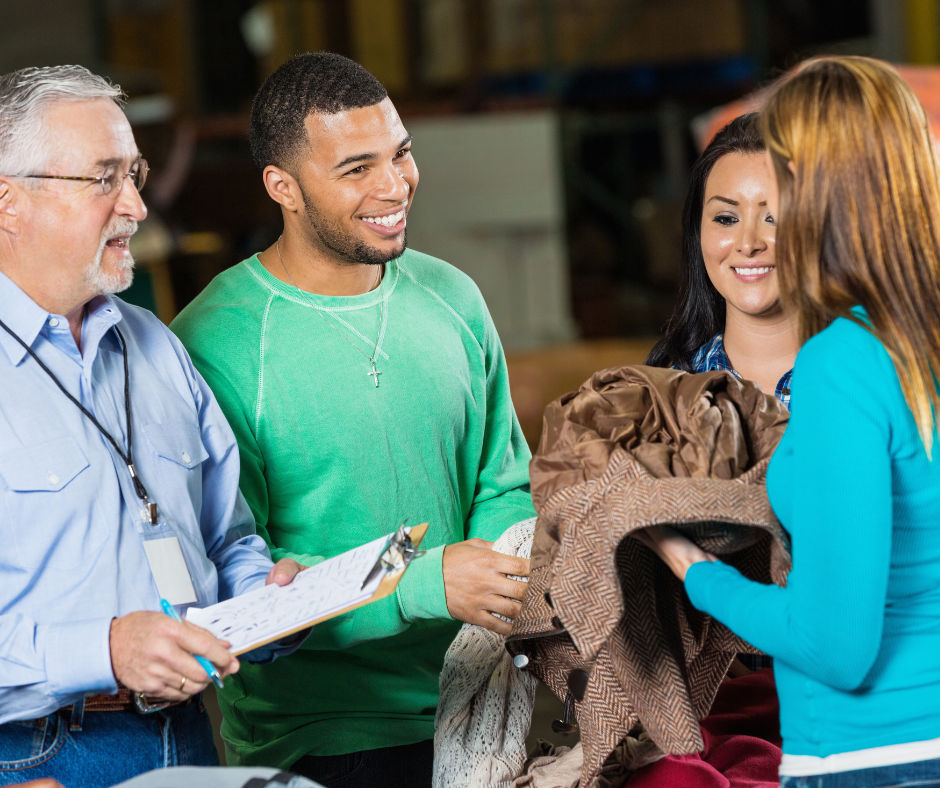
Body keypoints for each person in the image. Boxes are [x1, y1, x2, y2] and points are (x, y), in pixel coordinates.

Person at [170, 52, 535, 787]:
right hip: (322, 739)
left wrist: (503, 573)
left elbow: (502, 480)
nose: (394, 185)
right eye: (356, 169)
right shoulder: (215, 343)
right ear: (283, 187)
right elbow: (236, 577)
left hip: (486, 711)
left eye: (400, 153)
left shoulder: (452, 296)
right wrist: (422, 587)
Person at [0, 65, 304, 786]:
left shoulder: (156, 347)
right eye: (104, 177)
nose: (136, 205)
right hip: (33, 758)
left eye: (133, 174)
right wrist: (102, 649)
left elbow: (227, 537)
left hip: (187, 737)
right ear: (8, 200)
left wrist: (265, 601)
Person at [642, 55, 940, 787]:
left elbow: (834, 643)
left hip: (873, 756)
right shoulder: (917, 343)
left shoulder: (844, 361)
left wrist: (693, 569)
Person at [646, 112, 800, 408]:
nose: (748, 244)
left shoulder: (879, 381)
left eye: (775, 218)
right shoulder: (662, 403)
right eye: (726, 218)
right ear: (697, 233)